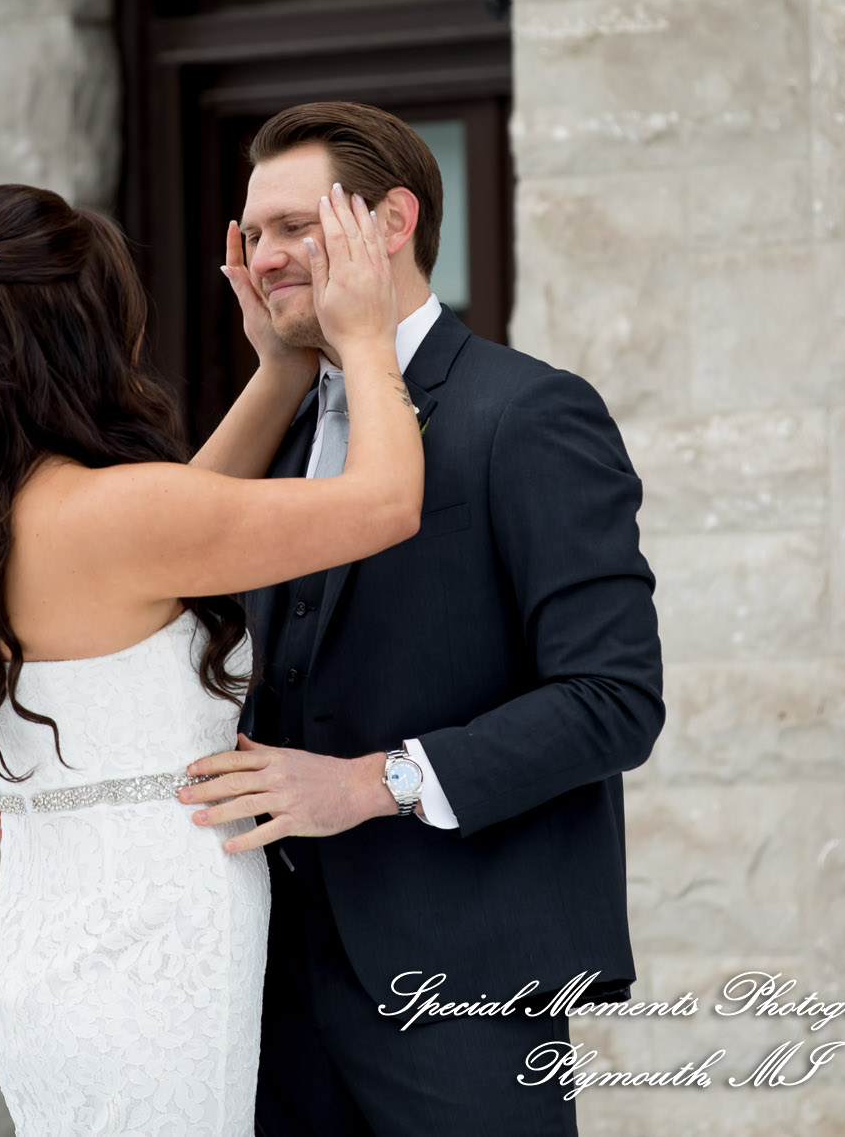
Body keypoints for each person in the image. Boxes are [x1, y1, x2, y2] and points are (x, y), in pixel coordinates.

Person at [0, 180, 423, 1137]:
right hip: (154, 957)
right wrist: (368, 336)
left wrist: (280, 374)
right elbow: (384, 503)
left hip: (45, 949)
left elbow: (178, 532)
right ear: (85, 335)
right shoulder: (117, 512)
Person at [180, 102, 665, 1136]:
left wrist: (370, 783)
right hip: (265, 981)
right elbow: (169, 595)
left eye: (295, 226)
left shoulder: (527, 413)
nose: (263, 257)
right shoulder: (275, 429)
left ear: (393, 222)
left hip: (460, 979)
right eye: (252, 233)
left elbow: (614, 699)